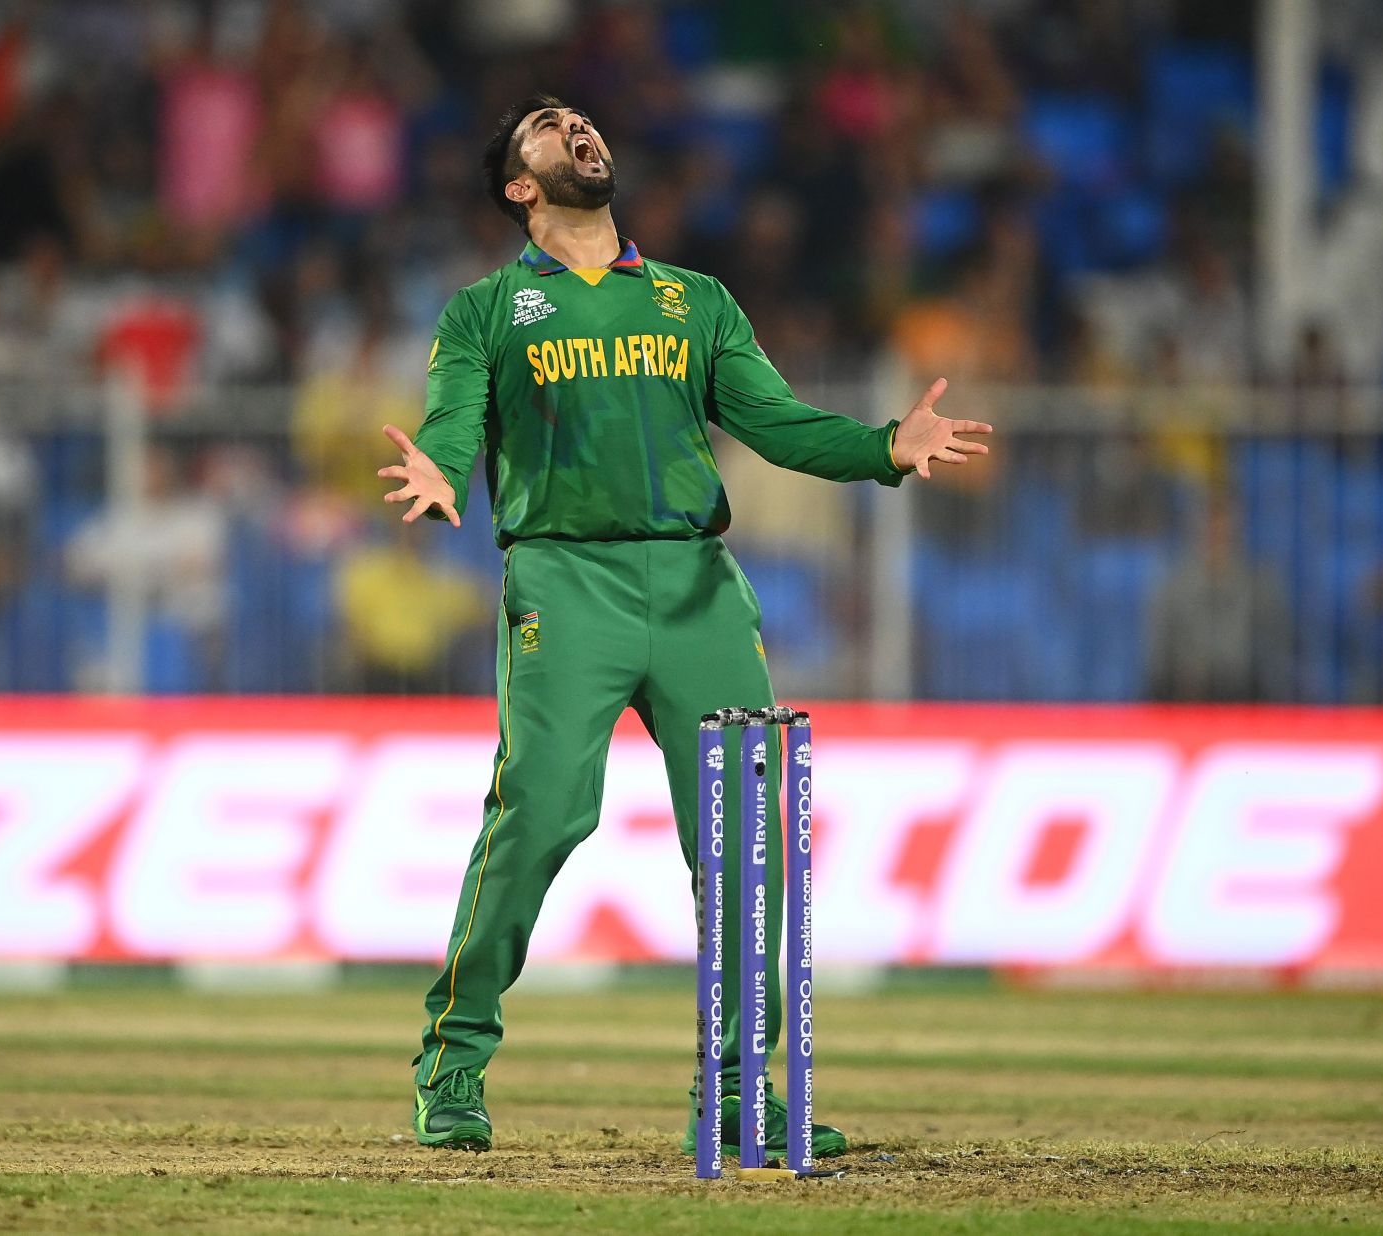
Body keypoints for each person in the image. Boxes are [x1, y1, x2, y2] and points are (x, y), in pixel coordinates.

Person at [377, 96, 990, 1158]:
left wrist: (884, 446)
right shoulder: (485, 312)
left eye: (581, 118)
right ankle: (453, 1064)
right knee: (542, 817)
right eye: (545, 126)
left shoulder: (691, 300)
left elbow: (778, 426)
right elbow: (452, 418)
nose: (577, 127)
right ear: (520, 187)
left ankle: (744, 1098)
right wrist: (439, 471)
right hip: (565, 583)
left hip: (700, 582)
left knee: (747, 845)